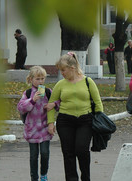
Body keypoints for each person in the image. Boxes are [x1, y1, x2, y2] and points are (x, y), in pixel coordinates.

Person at [47, 52, 104, 181]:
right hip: (65, 121)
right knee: (68, 153)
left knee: (82, 150)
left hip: (85, 120)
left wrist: (99, 120)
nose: (62, 73)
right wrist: (50, 123)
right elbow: (50, 105)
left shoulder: (88, 81)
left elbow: (98, 102)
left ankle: (86, 177)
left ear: (72, 68)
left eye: (63, 70)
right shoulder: (60, 84)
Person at [17, 66, 59, 181]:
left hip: (45, 128)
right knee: (33, 156)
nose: (40, 81)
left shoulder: (48, 91)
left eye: (42, 78)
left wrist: (53, 105)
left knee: (45, 153)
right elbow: (21, 108)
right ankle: (34, 177)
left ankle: (44, 174)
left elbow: (58, 102)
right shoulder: (28, 93)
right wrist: (32, 100)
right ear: (31, 79)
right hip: (32, 129)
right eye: (38, 79)